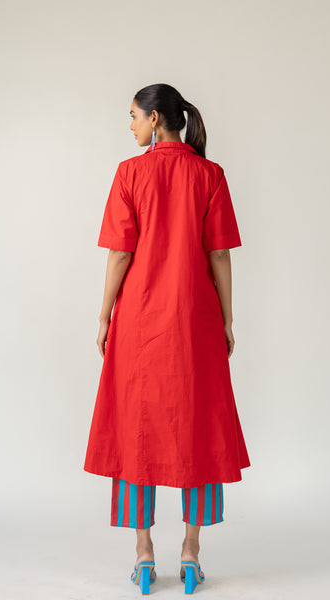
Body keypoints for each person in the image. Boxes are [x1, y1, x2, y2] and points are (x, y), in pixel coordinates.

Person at [83, 83, 251, 593]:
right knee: (199, 427)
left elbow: (120, 253)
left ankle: (143, 554)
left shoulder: (130, 173)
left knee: (136, 427)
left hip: (139, 321)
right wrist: (226, 319)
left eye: (134, 116)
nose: (131, 126)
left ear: (156, 119)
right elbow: (219, 254)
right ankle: (192, 552)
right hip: (195, 320)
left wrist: (104, 315)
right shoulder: (210, 175)